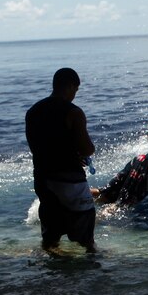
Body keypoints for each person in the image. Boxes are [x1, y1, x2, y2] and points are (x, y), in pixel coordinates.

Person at [25, 67, 97, 253]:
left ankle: (53, 278)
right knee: (85, 239)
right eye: (76, 90)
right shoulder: (73, 112)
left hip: (43, 179)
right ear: (71, 86)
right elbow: (87, 148)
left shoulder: (33, 111)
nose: (75, 95)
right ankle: (92, 275)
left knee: (50, 239)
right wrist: (79, 154)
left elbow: (39, 147)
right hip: (69, 181)